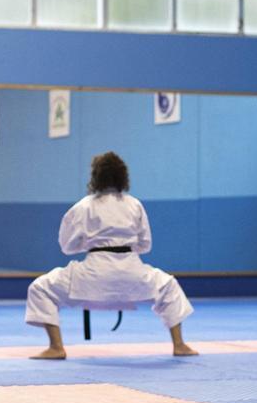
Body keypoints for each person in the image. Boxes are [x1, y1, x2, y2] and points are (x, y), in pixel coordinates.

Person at [25, 151, 197, 359]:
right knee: (169, 285)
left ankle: (56, 347)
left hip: (93, 274)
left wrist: (90, 243)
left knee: (40, 287)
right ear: (123, 177)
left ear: (95, 177)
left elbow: (67, 246)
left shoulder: (84, 206)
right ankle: (179, 344)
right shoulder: (134, 204)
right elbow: (145, 244)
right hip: (132, 272)